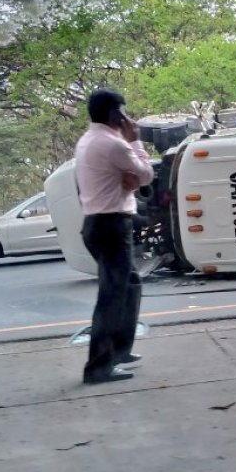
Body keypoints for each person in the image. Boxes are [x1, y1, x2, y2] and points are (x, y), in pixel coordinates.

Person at [75, 89, 155, 385]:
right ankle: (98, 366)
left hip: (97, 223)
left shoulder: (88, 140)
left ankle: (120, 350)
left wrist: (129, 178)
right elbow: (146, 174)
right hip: (111, 226)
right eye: (124, 112)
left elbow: (130, 178)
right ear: (117, 114)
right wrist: (135, 139)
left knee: (129, 285)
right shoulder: (114, 144)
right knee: (111, 297)